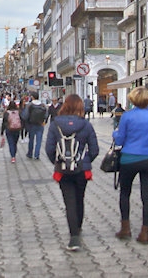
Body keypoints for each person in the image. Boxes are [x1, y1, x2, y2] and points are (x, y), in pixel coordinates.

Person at [112, 87, 148, 245]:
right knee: (146, 196)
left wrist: (115, 134)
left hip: (129, 158)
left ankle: (125, 228)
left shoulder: (127, 116)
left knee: (125, 193)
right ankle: (144, 232)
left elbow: (120, 140)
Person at [45, 94, 99, 252]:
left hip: (63, 169)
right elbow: (94, 149)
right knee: (79, 199)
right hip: (82, 169)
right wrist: (86, 161)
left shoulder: (55, 124)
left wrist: (58, 162)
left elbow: (49, 149)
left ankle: (74, 236)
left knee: (69, 202)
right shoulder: (86, 125)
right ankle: (78, 228)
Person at [24, 91, 48, 159]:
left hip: (31, 124)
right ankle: (37, 155)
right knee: (39, 141)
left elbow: (26, 115)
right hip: (40, 124)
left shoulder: (29, 105)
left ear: (32, 97)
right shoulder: (43, 105)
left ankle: (30, 153)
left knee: (31, 140)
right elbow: (46, 115)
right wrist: (44, 122)